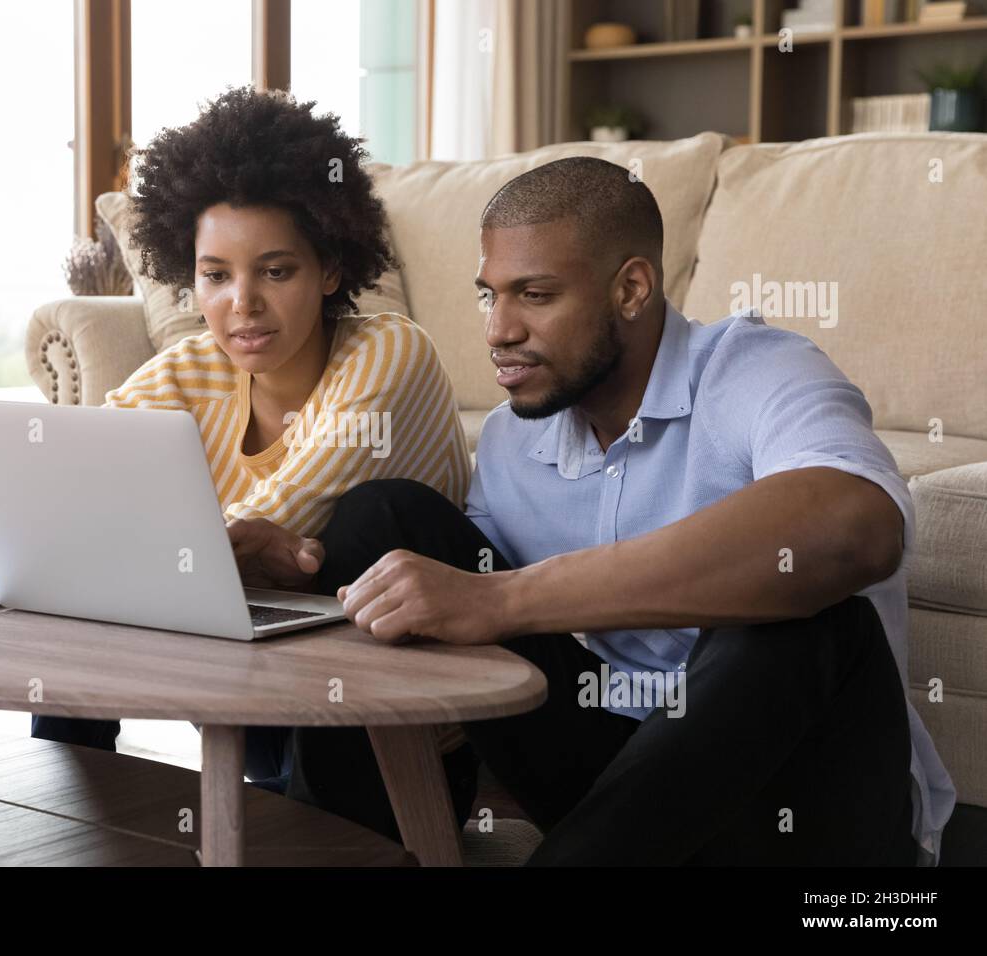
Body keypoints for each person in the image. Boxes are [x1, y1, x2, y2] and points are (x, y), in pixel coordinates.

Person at [0, 87, 479, 828]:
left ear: (330, 269)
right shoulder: (194, 368)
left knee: (97, 562)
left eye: (276, 271)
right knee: (83, 578)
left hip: (392, 743)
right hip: (260, 691)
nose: (243, 303)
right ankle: (74, 821)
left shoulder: (390, 351)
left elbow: (265, 520)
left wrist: (28, 549)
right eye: (215, 275)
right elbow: (64, 479)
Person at [289, 156, 956, 864]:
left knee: (807, 614)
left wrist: (507, 598)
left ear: (632, 288)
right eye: (491, 296)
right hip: (631, 785)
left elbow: (855, 527)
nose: (497, 330)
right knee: (383, 519)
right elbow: (460, 598)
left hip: (803, 811)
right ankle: (357, 852)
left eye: (535, 295)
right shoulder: (519, 434)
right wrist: (299, 562)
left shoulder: (756, 370)